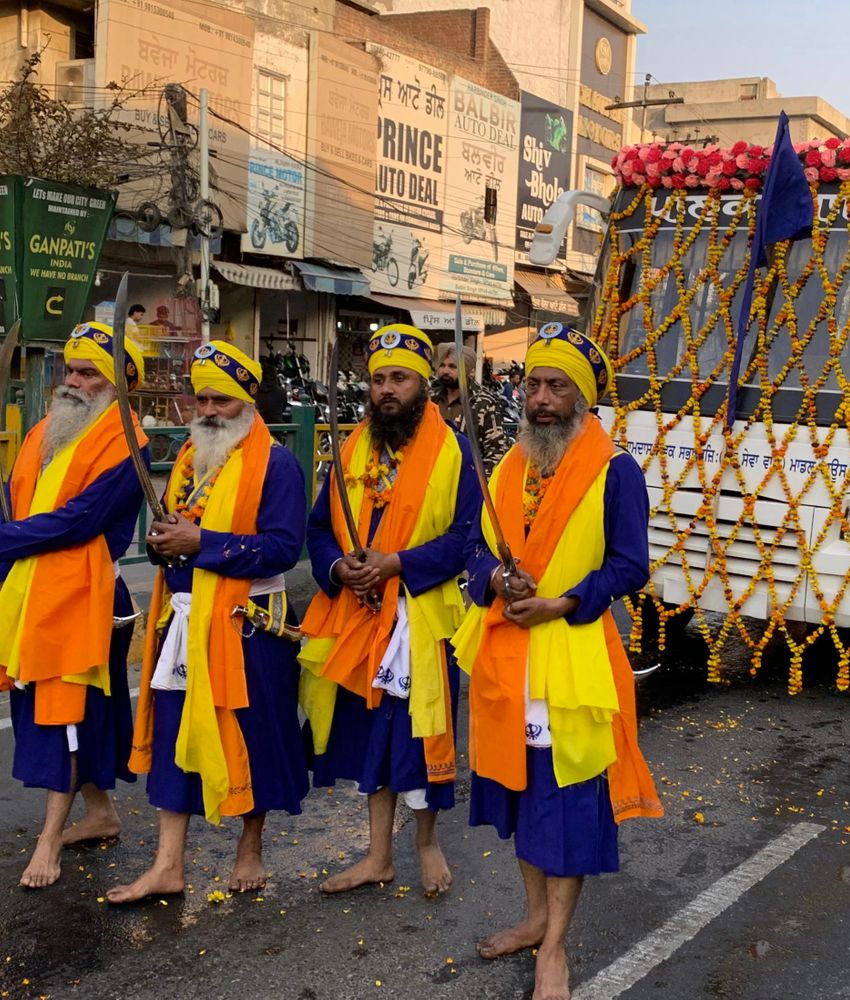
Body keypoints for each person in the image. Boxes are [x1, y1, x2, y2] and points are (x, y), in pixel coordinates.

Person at [454, 322, 663, 1000]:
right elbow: (476, 551)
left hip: (572, 668)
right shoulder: (509, 467)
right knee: (521, 798)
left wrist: (564, 600)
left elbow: (630, 567)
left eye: (557, 387)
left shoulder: (616, 472)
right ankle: (535, 918)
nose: (540, 399)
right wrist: (493, 582)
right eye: (533, 384)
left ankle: (556, 950)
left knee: (567, 810)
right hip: (506, 664)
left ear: (584, 398)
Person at [107, 340, 308, 903]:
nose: (210, 412)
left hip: (250, 626)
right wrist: (165, 541)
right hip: (183, 623)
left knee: (254, 737)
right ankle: (168, 864)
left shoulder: (280, 465)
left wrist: (202, 542)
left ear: (247, 403)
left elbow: (282, 549)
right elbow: (174, 536)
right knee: (175, 736)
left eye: (221, 401)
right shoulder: (192, 461)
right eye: (201, 401)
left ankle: (251, 845)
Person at [298, 323, 478, 896]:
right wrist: (337, 568)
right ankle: (377, 855)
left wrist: (397, 562)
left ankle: (425, 843)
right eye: (378, 379)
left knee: (419, 737)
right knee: (373, 736)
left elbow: (469, 538)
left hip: (420, 619)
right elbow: (321, 528)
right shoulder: (351, 447)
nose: (386, 390)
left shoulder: (454, 450)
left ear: (423, 385)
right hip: (359, 615)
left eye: (399, 378)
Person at [0, 321, 148, 888]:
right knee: (65, 715)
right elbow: (20, 508)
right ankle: (102, 812)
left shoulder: (130, 441)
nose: (74, 381)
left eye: (90, 373)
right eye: (72, 369)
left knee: (64, 717)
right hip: (29, 591)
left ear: (117, 386)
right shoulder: (45, 433)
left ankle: (47, 844)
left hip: (82, 599)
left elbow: (79, 522)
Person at [431, 343, 508, 475]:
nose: (445, 371)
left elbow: (496, 451)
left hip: (468, 480)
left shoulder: (484, 402)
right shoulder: (431, 398)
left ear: (466, 370)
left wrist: (478, 486)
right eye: (442, 365)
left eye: (452, 366)